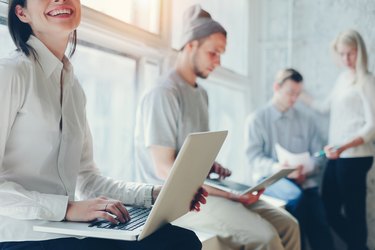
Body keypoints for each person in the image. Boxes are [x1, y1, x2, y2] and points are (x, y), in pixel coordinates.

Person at [0, 0, 206, 249]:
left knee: (180, 240)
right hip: (18, 236)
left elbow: (87, 179)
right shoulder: (10, 73)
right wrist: (67, 208)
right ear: (22, 13)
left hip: (64, 229)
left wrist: (154, 194)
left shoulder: (74, 89)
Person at [134, 4, 300, 250]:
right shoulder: (164, 93)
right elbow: (165, 170)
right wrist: (231, 195)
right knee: (266, 238)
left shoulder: (201, 94)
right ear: (191, 46)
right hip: (174, 200)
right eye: (213, 53)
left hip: (203, 189)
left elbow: (188, 154)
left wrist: (209, 165)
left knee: (289, 224)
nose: (218, 62)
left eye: (221, 54)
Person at [300, 29, 375, 250]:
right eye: (342, 54)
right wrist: (297, 93)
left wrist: (343, 146)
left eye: (350, 53)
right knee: (329, 209)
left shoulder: (367, 81)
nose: (346, 59)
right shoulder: (342, 78)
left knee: (354, 213)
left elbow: (372, 125)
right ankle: (359, 247)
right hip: (337, 155)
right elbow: (324, 106)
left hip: (355, 156)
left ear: (359, 52)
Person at [244, 68, 334, 250]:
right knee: (297, 201)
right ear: (276, 87)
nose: (294, 99)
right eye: (290, 93)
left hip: (305, 181)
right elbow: (254, 158)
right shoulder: (257, 119)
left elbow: (319, 156)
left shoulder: (307, 121)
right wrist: (278, 167)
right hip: (272, 181)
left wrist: (307, 169)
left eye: (298, 94)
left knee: (320, 221)